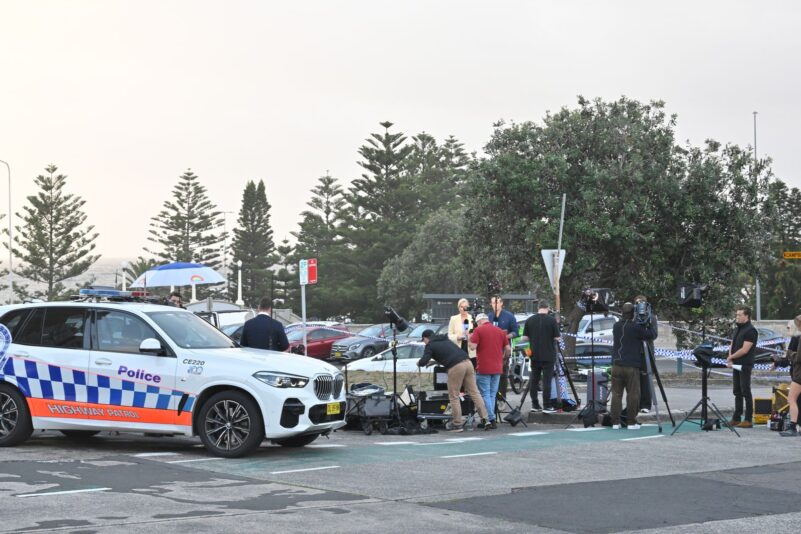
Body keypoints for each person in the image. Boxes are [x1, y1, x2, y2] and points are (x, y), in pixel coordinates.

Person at [418, 328, 489, 432]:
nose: (424, 343)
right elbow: (449, 354)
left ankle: (457, 424)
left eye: (423, 340)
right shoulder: (445, 340)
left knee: (454, 396)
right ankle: (486, 419)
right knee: (475, 393)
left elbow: (423, 361)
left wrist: (419, 363)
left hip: (456, 367)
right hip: (468, 363)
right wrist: (435, 362)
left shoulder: (430, 345)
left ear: (426, 338)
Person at [609, 302, 658, 430]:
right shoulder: (636, 328)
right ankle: (631, 422)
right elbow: (651, 335)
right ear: (633, 313)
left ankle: (615, 422)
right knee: (633, 394)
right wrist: (648, 321)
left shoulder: (616, 326)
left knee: (616, 394)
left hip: (616, 364)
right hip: (631, 366)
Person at [469, 313, 510, 429]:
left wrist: (469, 336)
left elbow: (472, 347)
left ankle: (490, 419)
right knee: (492, 394)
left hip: (484, 367)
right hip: (498, 367)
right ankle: (491, 418)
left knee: (485, 394)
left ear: (479, 322)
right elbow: (508, 349)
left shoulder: (478, 330)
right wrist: (504, 358)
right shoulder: (500, 331)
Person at [522, 301, 562, 413]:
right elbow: (557, 338)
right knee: (547, 381)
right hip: (548, 354)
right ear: (548, 308)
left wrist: (533, 337)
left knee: (534, 380)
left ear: (538, 308)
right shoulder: (552, 320)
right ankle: (547, 405)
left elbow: (524, 338)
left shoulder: (530, 320)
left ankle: (535, 404)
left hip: (534, 354)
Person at [726, 305, 758, 428]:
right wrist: (730, 357)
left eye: (740, 315)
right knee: (737, 391)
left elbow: (745, 350)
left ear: (747, 316)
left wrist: (731, 357)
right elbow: (732, 344)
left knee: (745, 391)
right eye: (737, 315)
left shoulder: (751, 330)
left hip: (745, 365)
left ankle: (748, 419)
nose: (737, 317)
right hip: (736, 364)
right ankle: (736, 417)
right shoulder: (738, 328)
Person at [487, 295, 518, 396]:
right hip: (490, 349)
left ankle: (501, 398)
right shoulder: (489, 317)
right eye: (493, 303)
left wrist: (506, 336)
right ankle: (492, 396)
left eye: (497, 302)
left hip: (504, 349)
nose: (495, 304)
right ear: (491, 304)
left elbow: (515, 332)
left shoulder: (509, 316)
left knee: (502, 373)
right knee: (490, 373)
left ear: (501, 303)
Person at [634, 295, 658, 414]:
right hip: (636, 351)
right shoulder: (633, 318)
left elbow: (653, 335)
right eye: (637, 303)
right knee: (635, 379)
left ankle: (646, 404)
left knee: (646, 379)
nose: (640, 305)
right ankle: (636, 403)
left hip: (647, 351)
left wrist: (645, 328)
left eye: (641, 302)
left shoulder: (652, 318)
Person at [777, 315, 801, 436]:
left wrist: (790, 354)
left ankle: (793, 426)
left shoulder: (798, 338)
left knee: (791, 399)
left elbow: (798, 358)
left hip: (799, 374)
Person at [447, 298, 476, 364]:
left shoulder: (473, 318)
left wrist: (471, 335)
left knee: (471, 370)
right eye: (461, 307)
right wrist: (457, 337)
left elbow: (477, 333)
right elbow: (449, 335)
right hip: (458, 348)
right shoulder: (453, 319)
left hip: (471, 349)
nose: (463, 309)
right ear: (458, 308)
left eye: (465, 307)